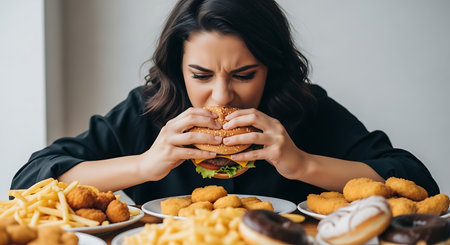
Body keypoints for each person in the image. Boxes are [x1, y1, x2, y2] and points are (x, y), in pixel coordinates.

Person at [11, 0, 439, 205]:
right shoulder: (150, 109)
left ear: (272, 69)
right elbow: (28, 180)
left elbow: (417, 181)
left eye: (244, 75)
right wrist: (146, 164)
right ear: (177, 68)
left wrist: (303, 164)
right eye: (200, 75)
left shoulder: (305, 109)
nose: (221, 96)